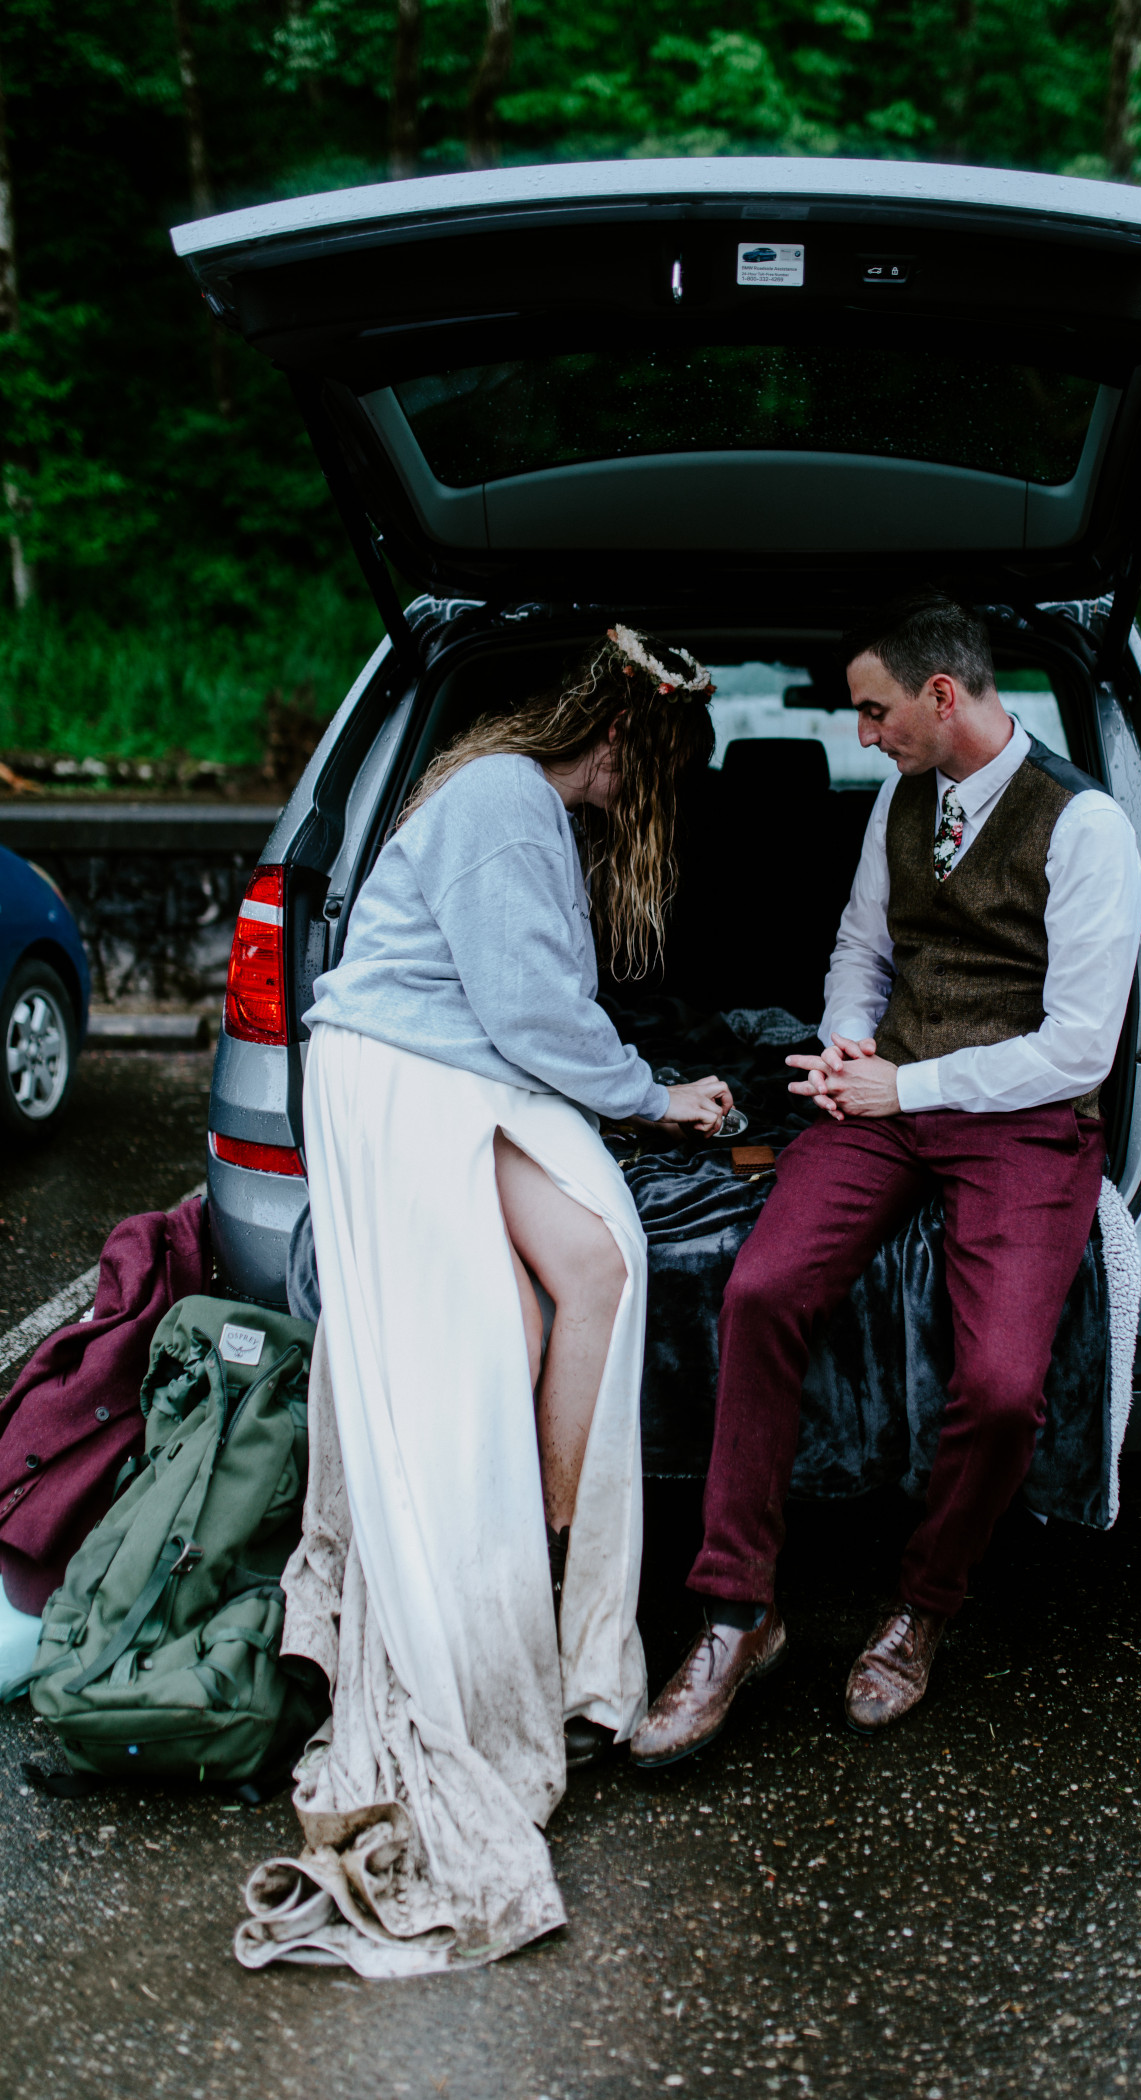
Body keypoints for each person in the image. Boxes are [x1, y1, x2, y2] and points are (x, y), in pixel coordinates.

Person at [238, 628, 731, 1976]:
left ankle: (528, 1579)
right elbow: (523, 1008)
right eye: (660, 760)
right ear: (613, 730)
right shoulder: (512, 800)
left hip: (434, 1065)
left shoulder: (512, 801)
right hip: (407, 1075)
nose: (651, 792)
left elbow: (521, 1006)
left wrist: (632, 1086)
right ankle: (546, 1566)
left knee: (528, 1320)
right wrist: (654, 1096)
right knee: (602, 1267)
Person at [630, 592, 1141, 1768]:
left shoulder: (1084, 828)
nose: (859, 736)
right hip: (890, 1100)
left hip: (1022, 1125)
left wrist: (902, 1091)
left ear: (941, 696)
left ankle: (924, 1605)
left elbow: (1079, 1048)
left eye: (871, 712)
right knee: (760, 1290)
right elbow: (861, 948)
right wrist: (851, 1040)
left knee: (1006, 1384)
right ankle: (734, 1612)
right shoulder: (903, 803)